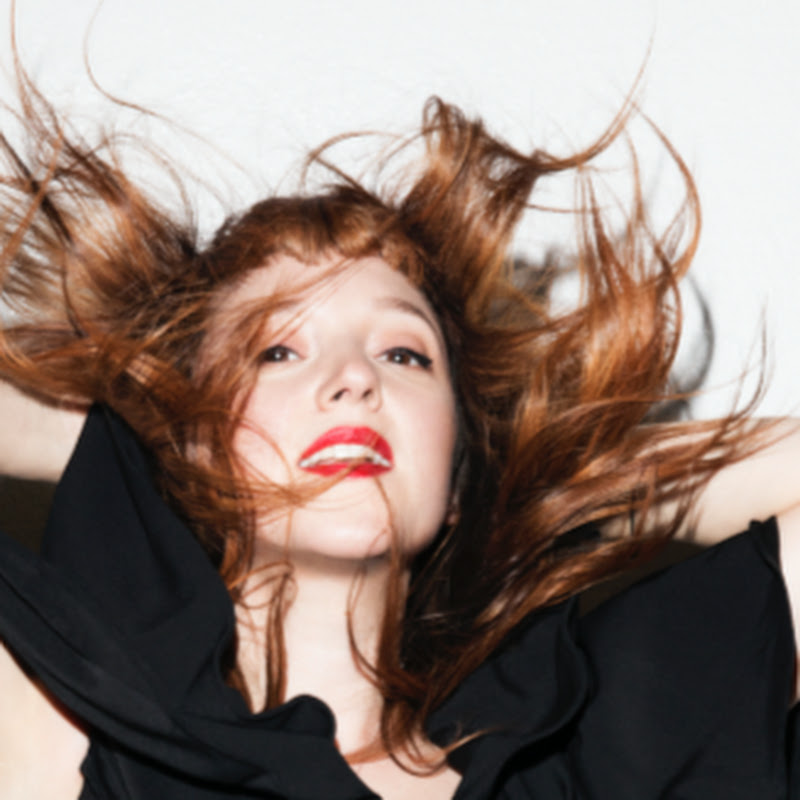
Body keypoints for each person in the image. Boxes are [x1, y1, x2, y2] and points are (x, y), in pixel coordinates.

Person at [0, 71, 799, 800]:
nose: (356, 377)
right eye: (278, 351)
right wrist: (149, 440)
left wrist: (540, 480)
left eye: (403, 354)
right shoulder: (67, 724)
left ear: (457, 468)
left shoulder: (585, 751)